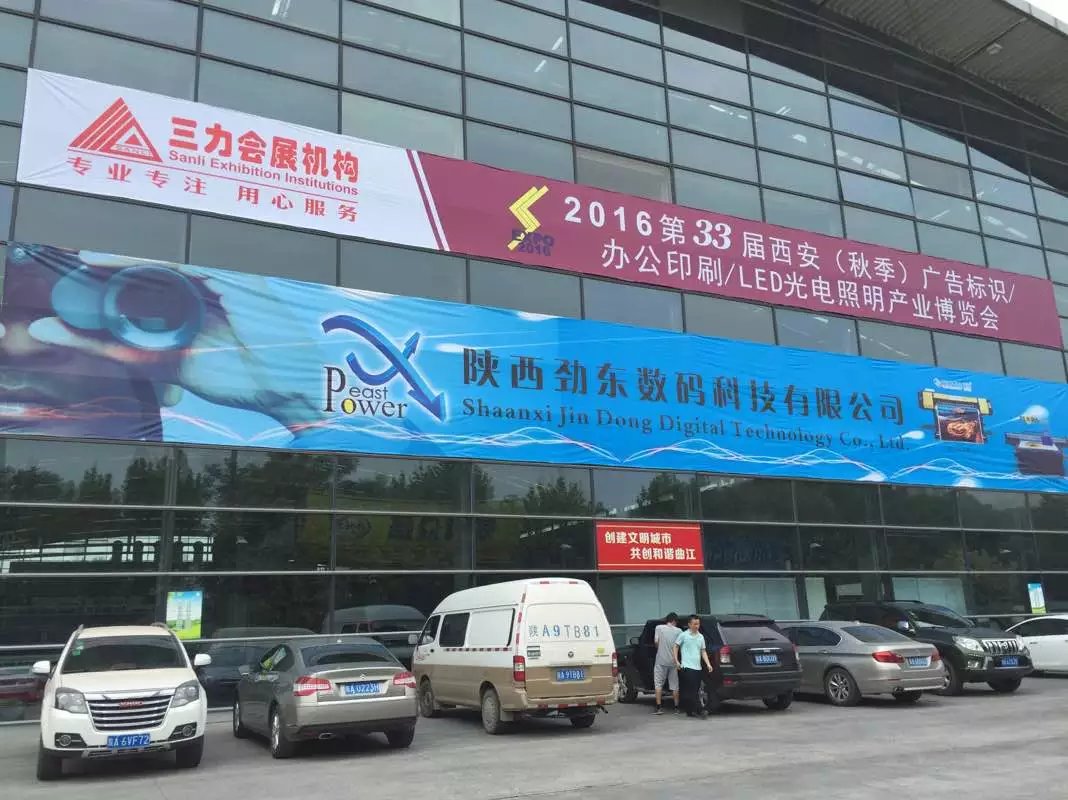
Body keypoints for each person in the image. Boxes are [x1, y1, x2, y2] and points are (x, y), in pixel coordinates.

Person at [673, 614, 713, 719]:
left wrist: (708, 664)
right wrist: (676, 661)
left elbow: (703, 651)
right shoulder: (683, 635)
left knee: (694, 690)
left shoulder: (700, 637)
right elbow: (675, 646)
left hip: (697, 667)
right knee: (692, 690)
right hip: (686, 667)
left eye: (698, 624)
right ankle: (701, 710)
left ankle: (689, 711)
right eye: (694, 624)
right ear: (689, 624)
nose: (696, 626)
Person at [652, 612, 681, 715]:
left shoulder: (659, 628)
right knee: (675, 685)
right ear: (674, 621)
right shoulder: (679, 631)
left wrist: (660, 649)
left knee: (658, 684)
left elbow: (656, 642)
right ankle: (676, 708)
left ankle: (659, 708)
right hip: (673, 661)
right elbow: (679, 645)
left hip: (661, 661)